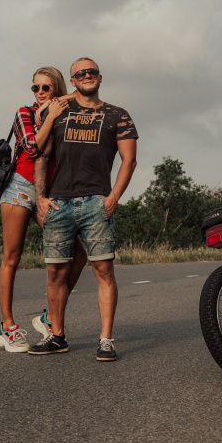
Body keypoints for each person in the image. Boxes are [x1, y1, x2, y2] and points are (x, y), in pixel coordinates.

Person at [29, 57, 138, 361]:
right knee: (55, 272)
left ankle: (106, 340)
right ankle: (57, 336)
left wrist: (113, 197)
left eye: (92, 72)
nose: (87, 75)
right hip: (59, 202)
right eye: (80, 73)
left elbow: (129, 160)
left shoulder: (118, 115)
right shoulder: (58, 111)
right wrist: (40, 197)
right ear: (73, 81)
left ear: (100, 77)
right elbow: (41, 156)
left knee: (103, 270)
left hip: (96, 202)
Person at [0, 66, 87, 351]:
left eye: (46, 87)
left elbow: (82, 93)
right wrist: (49, 115)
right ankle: (7, 328)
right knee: (12, 256)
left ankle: (49, 316)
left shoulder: (64, 112)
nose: (40, 92)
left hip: (48, 192)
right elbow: (32, 148)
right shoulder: (24, 113)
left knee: (79, 254)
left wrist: (53, 108)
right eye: (35, 87)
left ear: (56, 88)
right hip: (20, 187)